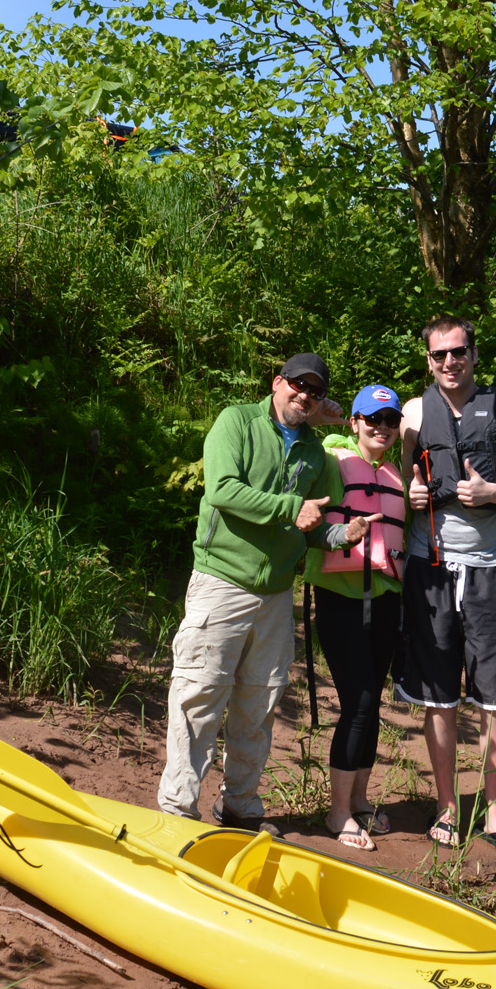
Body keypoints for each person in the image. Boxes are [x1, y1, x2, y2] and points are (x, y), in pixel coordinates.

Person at [158, 354, 377, 833]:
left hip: (276, 595)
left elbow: (312, 525)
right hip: (221, 582)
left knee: (258, 706)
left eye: (316, 392)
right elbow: (222, 489)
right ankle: (177, 811)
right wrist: (290, 507)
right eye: (299, 384)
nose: (305, 395)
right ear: (277, 382)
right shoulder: (236, 421)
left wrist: (343, 534)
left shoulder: (316, 454)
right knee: (199, 696)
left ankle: (239, 806)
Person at [396, 317, 496, 859]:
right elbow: (396, 483)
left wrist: (492, 490)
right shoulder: (412, 414)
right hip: (429, 570)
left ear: (473, 354)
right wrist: (411, 496)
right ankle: (445, 808)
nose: (448, 363)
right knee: (437, 700)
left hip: (489, 573)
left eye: (457, 352)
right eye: (438, 356)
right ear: (428, 360)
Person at [304, 384, 408, 851]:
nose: (381, 428)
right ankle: (338, 812)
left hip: (385, 599)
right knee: (359, 703)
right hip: (340, 597)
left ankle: (361, 800)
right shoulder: (331, 459)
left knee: (374, 705)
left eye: (390, 421)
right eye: (372, 419)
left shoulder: (398, 474)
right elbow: (300, 445)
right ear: (354, 422)